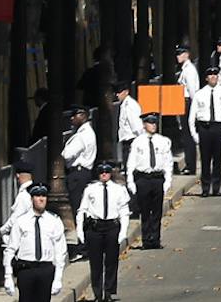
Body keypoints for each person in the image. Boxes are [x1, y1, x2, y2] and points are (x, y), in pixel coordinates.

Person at [2, 183, 67, 302]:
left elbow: (60, 251)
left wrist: (58, 277)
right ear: (31, 198)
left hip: (45, 269)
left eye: (44, 196)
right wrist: (8, 276)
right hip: (26, 269)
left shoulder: (54, 221)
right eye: (37, 196)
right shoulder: (21, 221)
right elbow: (10, 249)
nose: (41, 199)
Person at [77, 161, 129, 302]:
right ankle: (98, 293)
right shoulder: (90, 189)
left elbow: (124, 211)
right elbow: (82, 210)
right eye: (101, 172)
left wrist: (123, 231)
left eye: (106, 172)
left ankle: (109, 291)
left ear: (110, 174)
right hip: (95, 228)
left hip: (112, 226)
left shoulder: (119, 189)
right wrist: (80, 230)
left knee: (112, 261)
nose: (104, 174)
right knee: (96, 262)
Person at [125, 113, 174, 249]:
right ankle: (146, 240)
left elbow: (167, 162)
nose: (153, 125)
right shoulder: (138, 142)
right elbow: (131, 164)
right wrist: (131, 182)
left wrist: (168, 181)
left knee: (157, 211)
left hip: (157, 178)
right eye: (150, 123)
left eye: (154, 123)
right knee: (145, 211)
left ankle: (156, 239)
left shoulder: (163, 141)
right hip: (143, 178)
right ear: (144, 125)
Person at [189, 63, 221, 195]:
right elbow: (192, 117)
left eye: (215, 75)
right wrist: (194, 134)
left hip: (219, 127)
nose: (213, 77)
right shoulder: (200, 94)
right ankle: (205, 188)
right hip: (204, 128)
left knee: (217, 159)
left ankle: (216, 188)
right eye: (210, 75)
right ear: (206, 78)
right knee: (205, 159)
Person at [61, 106, 98, 233]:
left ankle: (84, 244)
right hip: (83, 173)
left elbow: (67, 154)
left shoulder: (82, 135)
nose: (71, 118)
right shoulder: (86, 132)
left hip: (78, 174)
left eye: (74, 115)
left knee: (78, 208)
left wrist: (65, 149)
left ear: (82, 115)